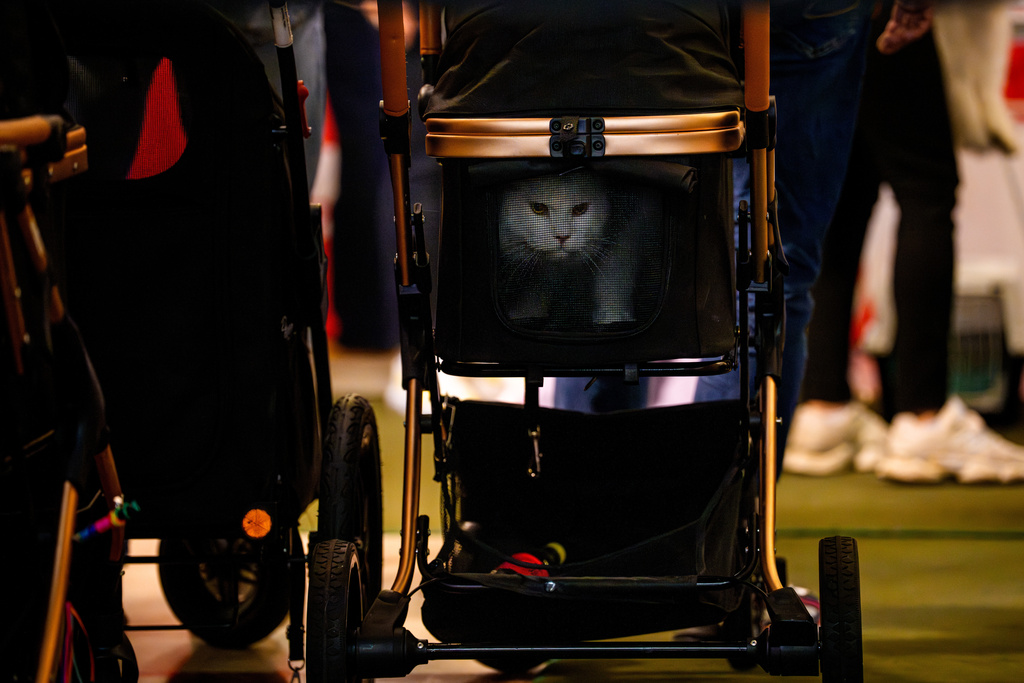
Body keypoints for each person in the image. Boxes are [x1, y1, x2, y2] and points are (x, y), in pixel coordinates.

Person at [786, 0, 1024, 484]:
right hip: (884, 13)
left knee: (844, 202)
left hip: (821, 18)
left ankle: (824, 407)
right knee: (927, 193)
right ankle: (924, 418)